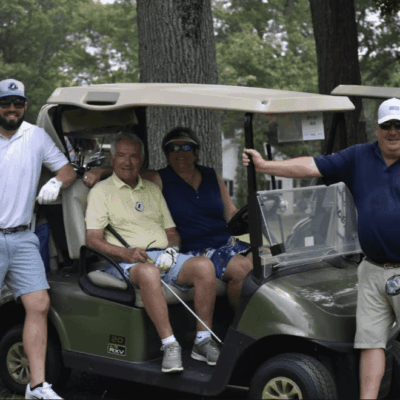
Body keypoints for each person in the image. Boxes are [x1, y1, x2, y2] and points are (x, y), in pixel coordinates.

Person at [242, 97, 400, 400]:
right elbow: (310, 166)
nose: (393, 132)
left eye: (399, 126)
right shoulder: (359, 157)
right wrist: (265, 165)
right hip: (371, 270)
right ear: (378, 130)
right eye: (387, 126)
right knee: (370, 343)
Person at [85, 131, 220, 373]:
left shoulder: (151, 189)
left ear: (142, 161)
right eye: (122, 156)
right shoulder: (101, 192)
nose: (128, 162)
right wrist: (126, 254)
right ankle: (169, 344)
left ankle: (202, 340)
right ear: (113, 159)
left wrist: (172, 250)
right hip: (124, 261)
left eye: (134, 157)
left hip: (162, 257)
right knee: (148, 273)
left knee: (204, 266)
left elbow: (171, 232)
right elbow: (93, 240)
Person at [0, 79, 76, 399]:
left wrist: (57, 182)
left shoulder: (36, 135)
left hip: (24, 236)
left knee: (39, 304)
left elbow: (68, 170)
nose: (13, 109)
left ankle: (36, 386)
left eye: (18, 103)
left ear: (25, 106)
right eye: (6, 103)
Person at [142, 127, 252, 309]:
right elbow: (127, 175)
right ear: (166, 153)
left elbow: (231, 213)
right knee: (242, 268)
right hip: (194, 249)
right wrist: (102, 171)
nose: (180, 153)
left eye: (186, 147)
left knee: (265, 260)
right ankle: (241, 331)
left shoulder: (211, 175)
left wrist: (254, 216)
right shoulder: (159, 178)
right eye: (173, 149)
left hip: (226, 243)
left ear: (195, 151)